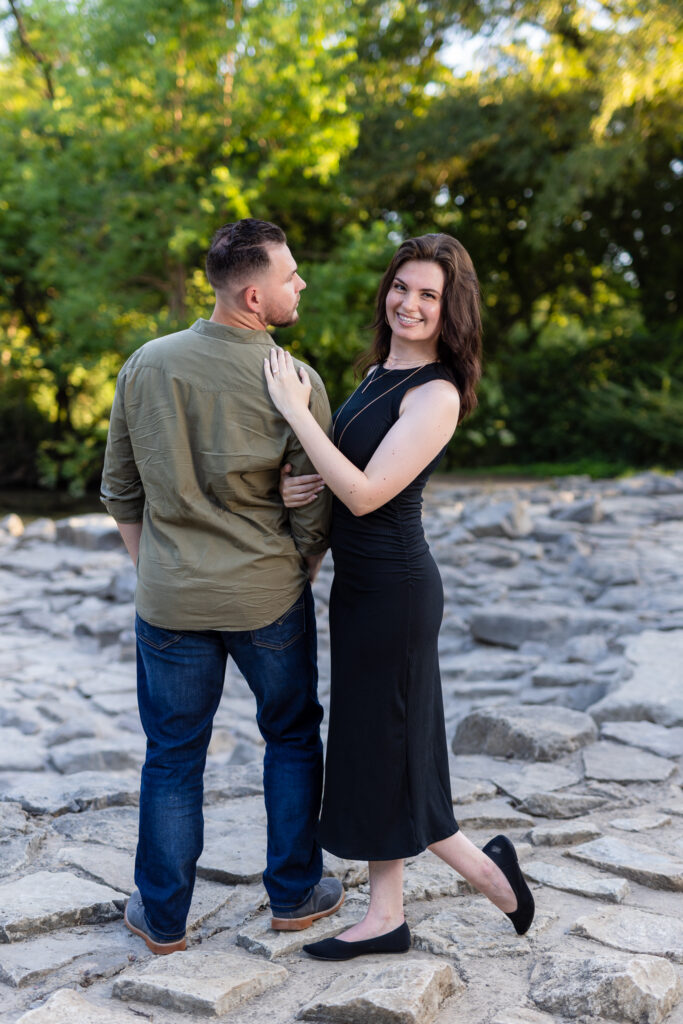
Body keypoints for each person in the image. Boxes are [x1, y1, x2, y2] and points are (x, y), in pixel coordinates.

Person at [264, 232, 535, 960]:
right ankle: (389, 912)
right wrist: (303, 482)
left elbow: (367, 493)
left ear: (451, 312)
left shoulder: (435, 392)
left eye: (428, 295)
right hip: (359, 590)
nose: (408, 303)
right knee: (372, 746)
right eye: (402, 287)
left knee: (393, 747)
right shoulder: (378, 374)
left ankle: (490, 880)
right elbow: (344, 473)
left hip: (397, 592)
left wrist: (295, 413)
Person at [100, 218, 345, 955]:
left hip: (171, 599)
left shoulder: (145, 364)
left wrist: (157, 572)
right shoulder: (295, 382)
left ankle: (164, 920)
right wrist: (295, 572)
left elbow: (119, 491)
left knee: (173, 755)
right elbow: (318, 504)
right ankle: (295, 894)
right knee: (292, 739)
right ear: (251, 293)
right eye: (289, 276)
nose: (300, 284)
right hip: (267, 594)